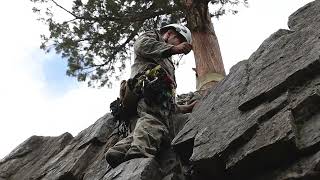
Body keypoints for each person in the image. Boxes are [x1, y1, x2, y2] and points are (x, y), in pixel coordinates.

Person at [105, 24, 196, 168]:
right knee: (154, 121)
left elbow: (167, 100)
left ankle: (119, 150)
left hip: (156, 97)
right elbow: (141, 45)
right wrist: (173, 49)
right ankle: (138, 152)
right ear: (170, 33)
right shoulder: (153, 36)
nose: (180, 46)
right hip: (148, 90)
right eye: (179, 40)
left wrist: (185, 108)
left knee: (156, 127)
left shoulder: (167, 61)